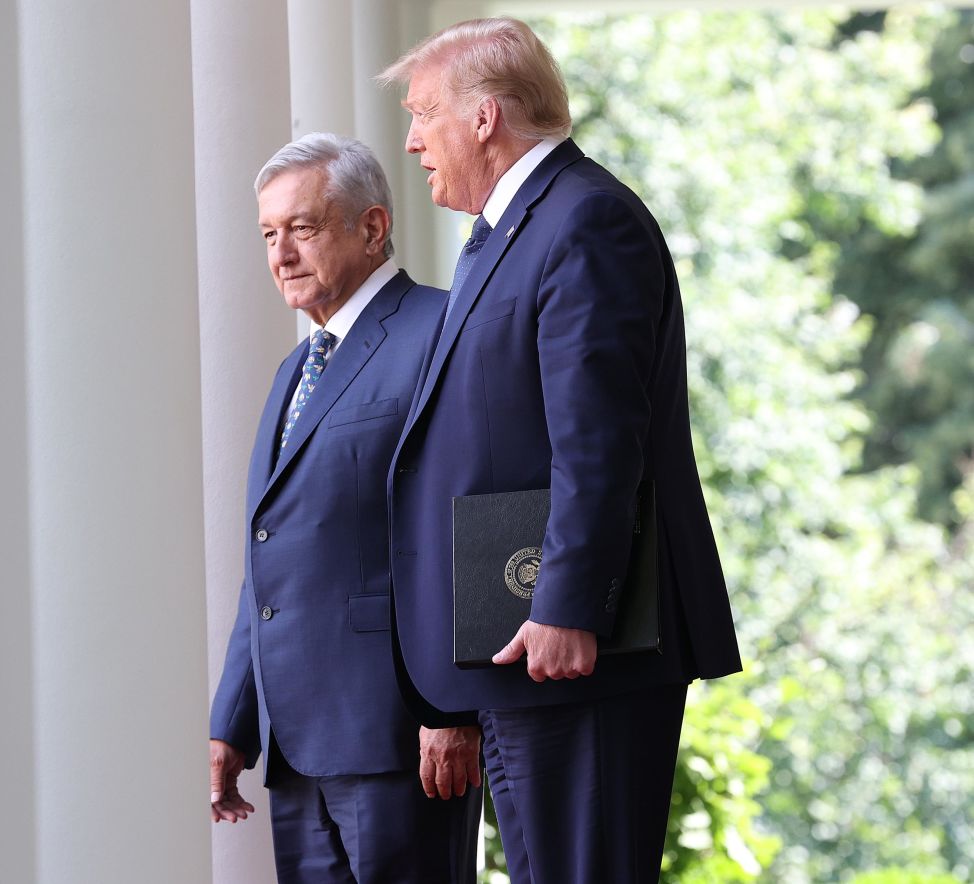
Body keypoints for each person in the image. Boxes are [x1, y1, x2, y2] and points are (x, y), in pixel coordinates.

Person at [378, 18, 743, 883]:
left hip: (582, 646)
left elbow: (598, 436)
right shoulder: (506, 236)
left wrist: (569, 602)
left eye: (425, 111)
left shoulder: (585, 221)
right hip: (524, 650)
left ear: (484, 118)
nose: (411, 137)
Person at [208, 133, 480, 884]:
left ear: (372, 226)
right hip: (293, 740)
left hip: (400, 735)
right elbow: (270, 552)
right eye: (269, 234)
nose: (282, 253)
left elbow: (466, 526)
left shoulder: (442, 333)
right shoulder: (296, 369)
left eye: (303, 226)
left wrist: (455, 707)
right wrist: (233, 719)